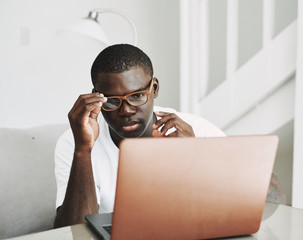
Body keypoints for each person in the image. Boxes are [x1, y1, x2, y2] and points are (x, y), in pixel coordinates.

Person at [53, 44, 226, 228]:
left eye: (136, 96)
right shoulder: (74, 142)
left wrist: (192, 158)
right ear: (97, 98)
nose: (126, 111)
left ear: (155, 88)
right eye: (112, 101)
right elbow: (73, 233)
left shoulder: (201, 133)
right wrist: (83, 150)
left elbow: (229, 211)